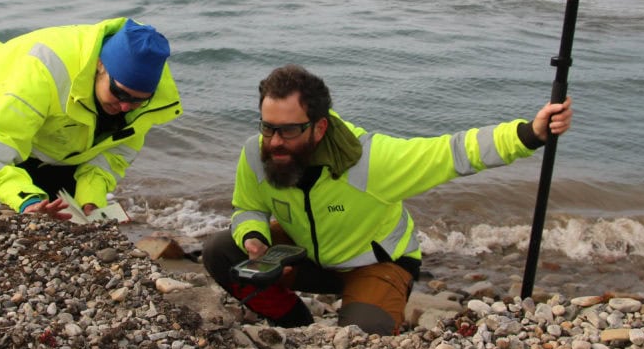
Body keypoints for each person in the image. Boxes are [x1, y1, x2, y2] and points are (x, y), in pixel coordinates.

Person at [202, 64, 572, 335]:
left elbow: (454, 153)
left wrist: (530, 133)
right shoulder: (257, 153)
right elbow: (248, 207)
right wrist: (255, 238)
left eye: (288, 130)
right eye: (268, 127)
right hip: (307, 255)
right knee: (220, 250)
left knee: (362, 336)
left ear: (320, 126)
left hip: (375, 263)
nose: (276, 141)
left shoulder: (372, 160)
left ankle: (370, 304)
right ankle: (294, 321)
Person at [0, 17, 181, 216]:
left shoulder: (149, 99)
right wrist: (26, 201)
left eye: (138, 100)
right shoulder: (43, 72)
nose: (126, 106)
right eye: (119, 93)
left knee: (67, 219)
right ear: (100, 65)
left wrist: (91, 201)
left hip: (57, 139)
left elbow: (112, 157)